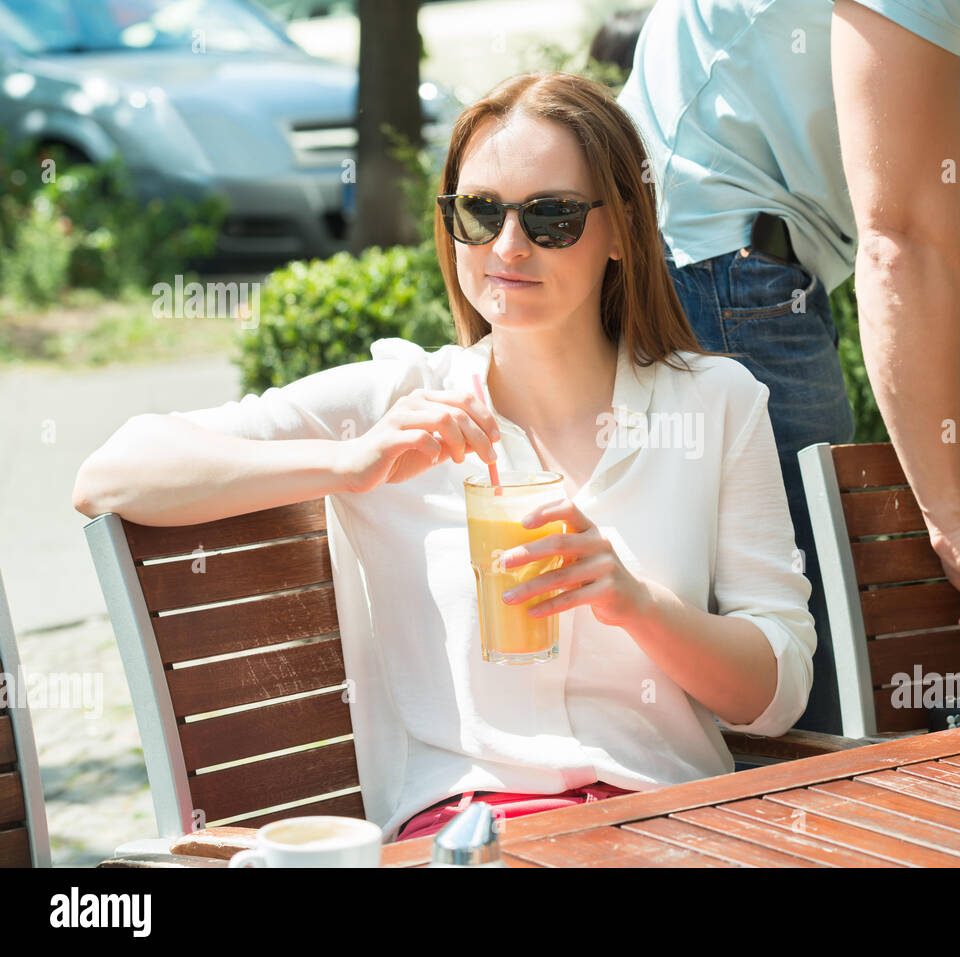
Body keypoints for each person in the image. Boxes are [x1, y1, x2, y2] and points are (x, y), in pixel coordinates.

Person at [71, 71, 816, 842]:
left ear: (624, 228)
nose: (509, 246)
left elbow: (780, 685)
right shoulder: (398, 401)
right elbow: (111, 472)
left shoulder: (717, 402)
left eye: (552, 216)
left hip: (673, 828)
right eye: (479, 212)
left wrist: (637, 604)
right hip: (469, 834)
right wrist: (351, 464)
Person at [618, 0, 960, 735]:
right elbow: (903, 238)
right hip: (698, 241)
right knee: (821, 679)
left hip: (783, 254)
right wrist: (953, 519)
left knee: (824, 651)